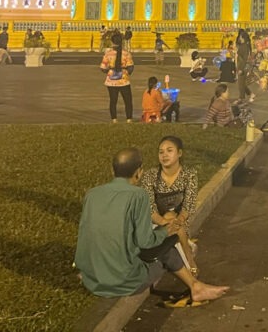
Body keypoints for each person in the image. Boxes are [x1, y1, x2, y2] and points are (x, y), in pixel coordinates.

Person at [75, 147, 227, 304]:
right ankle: (196, 287)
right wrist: (165, 231)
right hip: (123, 283)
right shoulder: (137, 195)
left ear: (112, 170)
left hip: (91, 280)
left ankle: (196, 286)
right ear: (139, 172)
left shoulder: (92, 194)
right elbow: (145, 241)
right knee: (167, 249)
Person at [139, 136, 199, 275]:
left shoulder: (189, 174)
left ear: (179, 153)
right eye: (161, 152)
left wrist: (178, 221)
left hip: (181, 221)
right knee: (169, 217)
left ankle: (187, 254)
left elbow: (188, 206)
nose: (164, 155)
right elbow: (150, 208)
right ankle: (190, 259)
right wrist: (164, 221)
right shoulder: (150, 176)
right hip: (156, 223)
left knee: (175, 221)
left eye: (169, 150)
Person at [101, 32, 135, 122]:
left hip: (111, 81)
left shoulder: (108, 54)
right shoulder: (126, 54)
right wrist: (125, 71)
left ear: (112, 42)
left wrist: (110, 69)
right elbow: (131, 67)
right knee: (128, 101)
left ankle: (114, 119)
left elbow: (103, 68)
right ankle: (129, 119)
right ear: (121, 42)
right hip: (123, 80)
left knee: (113, 101)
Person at [235, 29, 253, 102]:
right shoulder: (244, 46)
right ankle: (250, 94)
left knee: (240, 83)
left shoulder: (244, 46)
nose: (239, 38)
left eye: (240, 37)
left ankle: (241, 98)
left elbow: (244, 58)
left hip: (242, 67)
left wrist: (241, 69)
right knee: (242, 83)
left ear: (243, 38)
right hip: (241, 66)